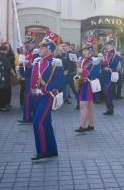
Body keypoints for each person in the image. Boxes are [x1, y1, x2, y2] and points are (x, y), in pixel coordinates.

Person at [29, 30, 65, 160]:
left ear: (49, 50)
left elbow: (60, 80)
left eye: (42, 48)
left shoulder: (54, 62)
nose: (40, 49)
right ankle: (52, 150)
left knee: (37, 121)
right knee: (46, 122)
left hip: (46, 96)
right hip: (35, 97)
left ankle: (42, 150)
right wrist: (23, 63)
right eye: (40, 47)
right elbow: (27, 75)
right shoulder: (37, 61)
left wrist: (46, 88)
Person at [75, 37, 100, 133]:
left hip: (89, 84)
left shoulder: (95, 60)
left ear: (90, 51)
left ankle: (82, 126)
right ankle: (90, 125)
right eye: (83, 50)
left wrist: (83, 72)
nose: (83, 52)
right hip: (82, 84)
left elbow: (96, 73)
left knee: (83, 105)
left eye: (85, 50)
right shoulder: (81, 60)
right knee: (89, 105)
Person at [18, 30, 40, 124]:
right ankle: (29, 116)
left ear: (33, 43)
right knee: (29, 98)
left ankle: (30, 117)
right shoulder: (26, 52)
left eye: (28, 43)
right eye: (26, 43)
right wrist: (21, 63)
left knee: (30, 97)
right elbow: (24, 70)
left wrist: (27, 63)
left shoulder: (36, 52)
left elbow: (36, 65)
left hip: (33, 78)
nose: (26, 45)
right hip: (28, 78)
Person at [101, 34, 120, 115]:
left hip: (111, 73)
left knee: (105, 89)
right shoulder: (105, 53)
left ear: (112, 45)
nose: (107, 46)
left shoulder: (116, 54)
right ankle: (109, 107)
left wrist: (104, 62)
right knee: (105, 90)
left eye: (108, 45)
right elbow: (104, 64)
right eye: (106, 45)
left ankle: (110, 106)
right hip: (105, 72)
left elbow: (114, 65)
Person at [0, 45, 15, 111]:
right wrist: (11, 71)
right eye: (7, 50)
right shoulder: (2, 55)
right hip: (3, 75)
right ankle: (2, 106)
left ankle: (0, 105)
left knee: (0, 91)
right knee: (3, 91)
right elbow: (6, 64)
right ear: (5, 50)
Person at [59, 42, 79, 109]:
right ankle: (54, 103)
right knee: (59, 89)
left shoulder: (72, 54)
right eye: (63, 46)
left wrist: (67, 71)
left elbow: (73, 64)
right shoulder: (63, 55)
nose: (63, 47)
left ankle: (79, 104)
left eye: (64, 46)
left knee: (74, 89)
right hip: (64, 75)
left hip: (71, 75)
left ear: (68, 46)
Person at [3, 42, 15, 108]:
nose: (7, 47)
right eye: (6, 46)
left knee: (9, 88)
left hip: (10, 72)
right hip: (3, 73)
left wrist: (12, 70)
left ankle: (8, 102)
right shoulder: (2, 54)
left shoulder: (11, 54)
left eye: (8, 46)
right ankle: (3, 102)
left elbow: (13, 63)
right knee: (3, 88)